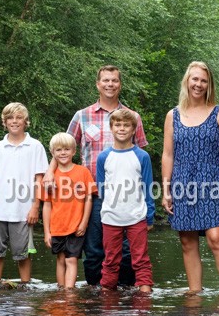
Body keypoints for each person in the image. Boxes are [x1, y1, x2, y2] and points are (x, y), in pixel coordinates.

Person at [42, 65, 148, 286]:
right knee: (94, 251)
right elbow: (63, 147)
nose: (110, 84)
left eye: (114, 81)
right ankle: (95, 299)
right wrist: (50, 173)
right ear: (98, 84)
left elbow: (141, 157)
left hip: (126, 197)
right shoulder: (82, 116)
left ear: (120, 84)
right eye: (106, 80)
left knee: (127, 253)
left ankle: (125, 298)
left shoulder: (132, 117)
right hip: (90, 195)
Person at [161, 61, 219, 294]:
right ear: (187, 81)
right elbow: (168, 154)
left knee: (216, 237)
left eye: (203, 80)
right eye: (195, 79)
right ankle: (195, 294)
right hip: (181, 183)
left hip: (210, 182)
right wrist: (166, 189)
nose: (198, 84)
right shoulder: (173, 115)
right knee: (187, 241)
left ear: (208, 84)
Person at [0, 102, 48, 284]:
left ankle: (25, 287)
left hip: (23, 211)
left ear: (26, 121)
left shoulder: (35, 146)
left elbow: (39, 179)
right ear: (4, 122)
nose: (14, 121)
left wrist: (36, 206)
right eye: (10, 118)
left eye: (19, 117)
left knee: (23, 253)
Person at [96, 109, 154, 292]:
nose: (122, 129)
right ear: (111, 129)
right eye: (118, 125)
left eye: (126, 125)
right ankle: (107, 296)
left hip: (137, 216)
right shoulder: (103, 157)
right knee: (110, 260)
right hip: (111, 217)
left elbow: (148, 187)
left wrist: (150, 217)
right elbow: (101, 188)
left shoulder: (142, 156)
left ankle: (145, 298)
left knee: (140, 259)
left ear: (134, 129)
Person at [42, 132, 96, 289]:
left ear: (74, 151)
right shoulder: (49, 177)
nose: (63, 153)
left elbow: (88, 199)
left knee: (71, 259)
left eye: (66, 149)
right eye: (58, 150)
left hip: (76, 227)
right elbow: (46, 204)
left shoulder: (83, 172)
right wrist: (47, 231)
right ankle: (61, 289)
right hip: (57, 227)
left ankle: (69, 291)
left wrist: (84, 223)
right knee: (60, 259)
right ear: (52, 153)